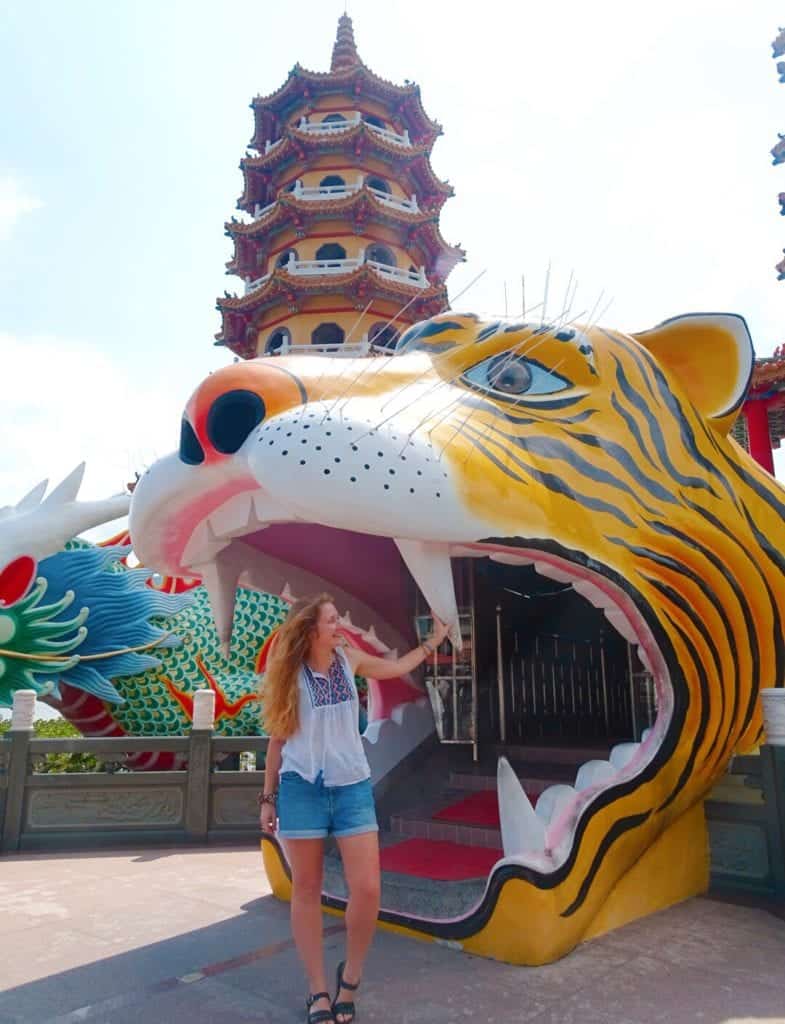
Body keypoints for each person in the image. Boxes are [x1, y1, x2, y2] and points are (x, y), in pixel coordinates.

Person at [259, 593, 449, 1024]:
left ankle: (351, 978)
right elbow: (277, 739)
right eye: (330, 620)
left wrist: (433, 641)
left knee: (367, 889)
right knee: (305, 889)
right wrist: (267, 798)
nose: (339, 624)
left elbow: (398, 667)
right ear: (310, 629)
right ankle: (318, 991)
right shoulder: (289, 674)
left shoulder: (350, 661)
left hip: (352, 789)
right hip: (300, 790)